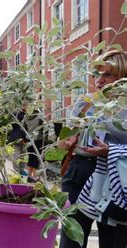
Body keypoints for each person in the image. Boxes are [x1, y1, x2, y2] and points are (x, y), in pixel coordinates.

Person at [59, 50, 127, 248]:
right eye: (97, 74)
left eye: (107, 74)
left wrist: (111, 151)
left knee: (114, 241)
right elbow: (63, 141)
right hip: (81, 171)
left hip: (118, 176)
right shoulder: (85, 103)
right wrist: (67, 140)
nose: (99, 80)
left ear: (122, 77)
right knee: (71, 238)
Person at [7, 111, 27, 175]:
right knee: (16, 156)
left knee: (23, 157)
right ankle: (17, 171)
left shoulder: (26, 115)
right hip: (17, 139)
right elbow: (14, 123)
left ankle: (22, 171)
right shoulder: (16, 114)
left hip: (24, 139)